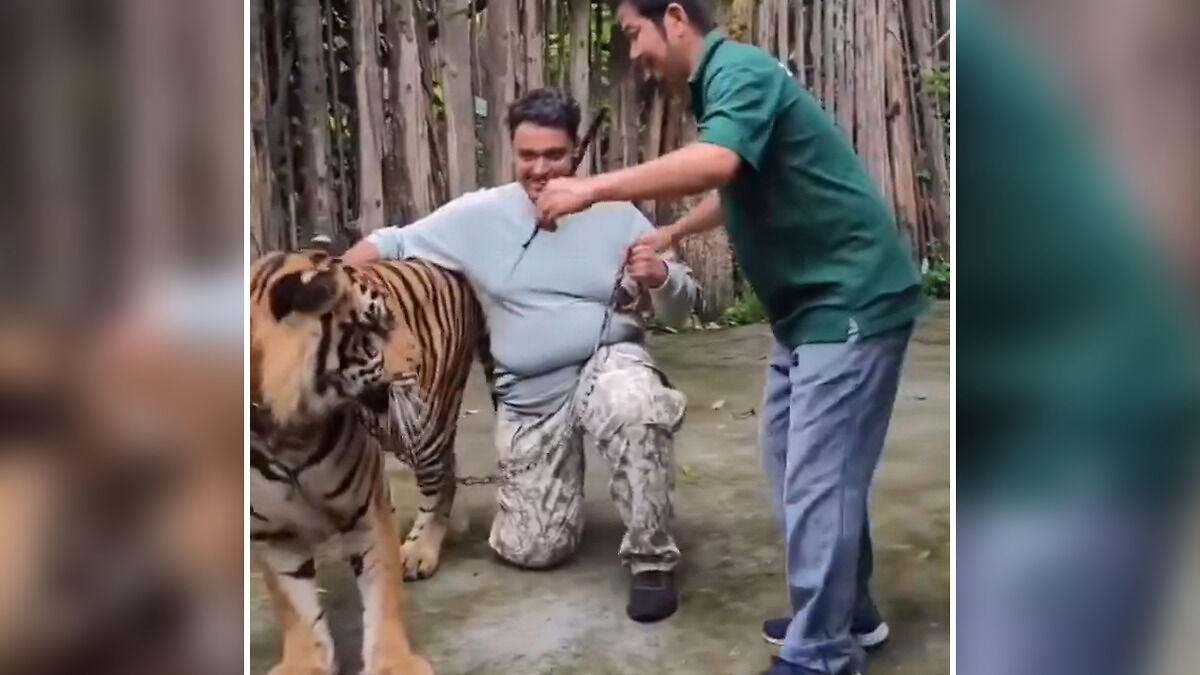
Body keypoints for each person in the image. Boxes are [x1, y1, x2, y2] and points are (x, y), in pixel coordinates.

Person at [534, 2, 923, 674]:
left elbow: (716, 161)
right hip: (806, 311)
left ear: (675, 17)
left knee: (818, 479)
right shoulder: (722, 86)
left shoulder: (738, 70)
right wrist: (674, 233)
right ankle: (843, 610)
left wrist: (592, 187)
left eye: (634, 34)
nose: (634, 54)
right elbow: (737, 177)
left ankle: (821, 651)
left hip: (850, 298)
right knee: (795, 464)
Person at [342, 88, 700, 623]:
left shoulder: (618, 212)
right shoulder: (479, 216)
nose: (541, 169)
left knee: (634, 403)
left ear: (576, 152)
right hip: (531, 398)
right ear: (512, 152)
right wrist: (332, 285)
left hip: (606, 362)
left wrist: (663, 277)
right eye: (528, 156)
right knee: (532, 549)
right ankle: (558, 486)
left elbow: (683, 308)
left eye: (554, 155)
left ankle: (651, 560)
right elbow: (391, 242)